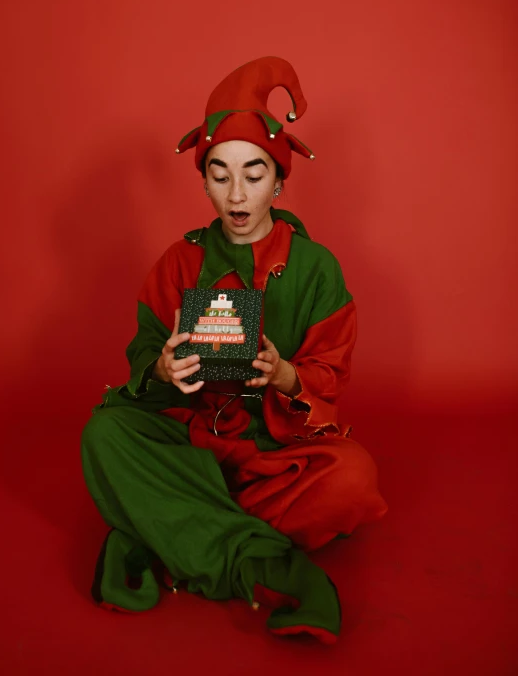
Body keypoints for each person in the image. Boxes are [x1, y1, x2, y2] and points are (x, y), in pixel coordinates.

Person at [81, 56, 387, 644]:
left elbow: (331, 374)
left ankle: (169, 523)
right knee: (104, 434)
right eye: (220, 175)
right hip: (190, 445)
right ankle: (259, 561)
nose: (237, 194)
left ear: (280, 179)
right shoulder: (180, 261)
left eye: (254, 173)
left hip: (275, 456)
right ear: (203, 182)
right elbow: (142, 350)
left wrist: (284, 374)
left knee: (352, 479)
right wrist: (163, 367)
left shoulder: (317, 268)